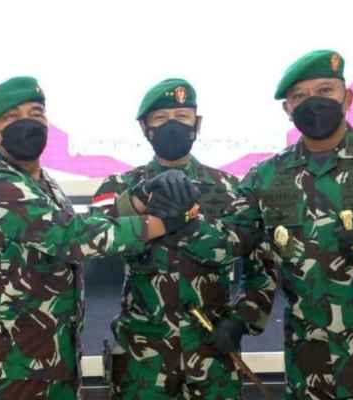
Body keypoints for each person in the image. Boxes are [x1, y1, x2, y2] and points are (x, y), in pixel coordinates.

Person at [174, 50, 353, 399]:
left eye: (325, 91)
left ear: (347, 98)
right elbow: (226, 243)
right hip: (311, 362)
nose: (313, 102)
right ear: (288, 109)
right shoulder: (266, 177)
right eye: (300, 96)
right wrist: (178, 218)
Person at [0, 76, 198, 400]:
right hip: (10, 366)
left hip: (50, 358)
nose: (28, 123)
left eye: (36, 113)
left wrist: (138, 197)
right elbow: (73, 237)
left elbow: (79, 225)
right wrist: (162, 222)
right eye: (12, 117)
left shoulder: (42, 183)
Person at [92, 78, 276, 399]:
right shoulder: (120, 187)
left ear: (197, 124)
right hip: (142, 356)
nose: (172, 125)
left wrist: (242, 319)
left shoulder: (231, 189)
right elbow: (95, 238)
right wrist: (141, 202)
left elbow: (260, 267)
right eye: (161, 118)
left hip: (211, 349)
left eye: (182, 116)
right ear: (145, 128)